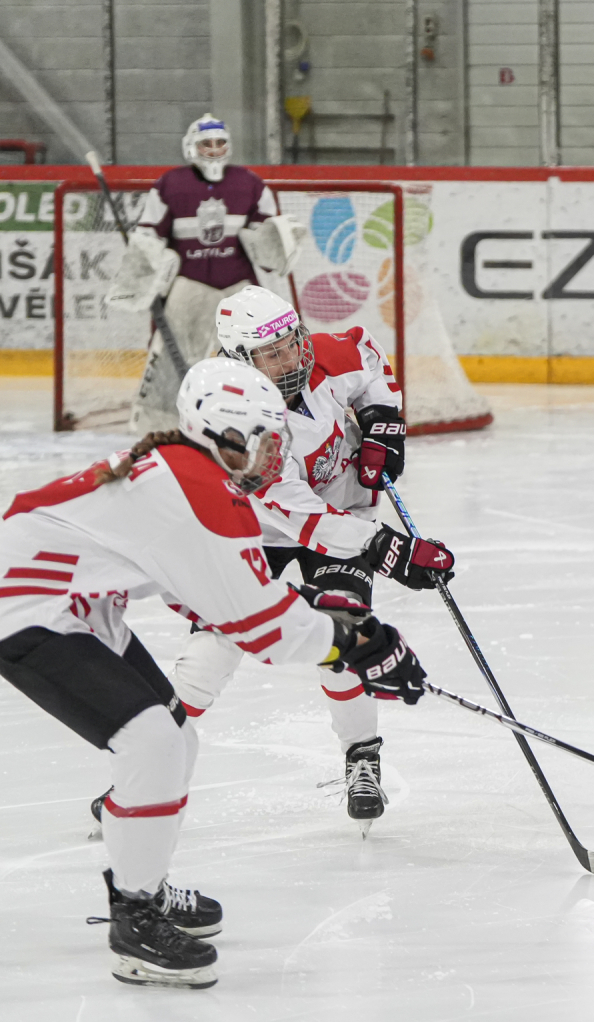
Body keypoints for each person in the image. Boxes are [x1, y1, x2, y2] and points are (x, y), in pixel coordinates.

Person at [0, 358, 426, 990]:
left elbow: (219, 595)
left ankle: (145, 885)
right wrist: (358, 644)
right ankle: (133, 920)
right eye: (266, 441)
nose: (276, 455)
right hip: (29, 610)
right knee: (152, 741)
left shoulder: (192, 475)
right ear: (227, 437)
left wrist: (333, 623)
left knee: (176, 737)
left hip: (80, 604)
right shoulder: (197, 490)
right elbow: (262, 627)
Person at [157, 285, 452, 831]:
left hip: (344, 510)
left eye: (292, 343)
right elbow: (306, 520)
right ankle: (146, 763)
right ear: (239, 358)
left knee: (345, 632)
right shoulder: (237, 421)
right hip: (259, 527)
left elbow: (367, 355)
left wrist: (382, 420)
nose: (291, 359)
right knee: (213, 650)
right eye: (271, 354)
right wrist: (389, 549)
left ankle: (362, 756)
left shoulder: (325, 357)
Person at [104, 114, 306, 435]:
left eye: (219, 142)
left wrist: (274, 244)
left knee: (258, 353)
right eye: (206, 143)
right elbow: (149, 234)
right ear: (191, 146)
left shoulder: (250, 183)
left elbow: (264, 238)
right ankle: (157, 425)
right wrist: (147, 264)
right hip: (189, 285)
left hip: (239, 286)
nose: (213, 149)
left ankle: (265, 415)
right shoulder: (170, 184)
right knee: (170, 358)